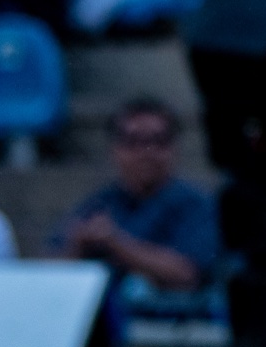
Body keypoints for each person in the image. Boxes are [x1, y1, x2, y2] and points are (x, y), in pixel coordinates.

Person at [54, 98, 218, 290]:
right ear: (115, 149)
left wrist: (116, 243)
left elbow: (187, 273)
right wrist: (77, 246)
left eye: (158, 141)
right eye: (133, 142)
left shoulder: (196, 205)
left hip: (177, 315)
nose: (146, 152)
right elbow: (49, 271)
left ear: (174, 148)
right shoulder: (100, 203)